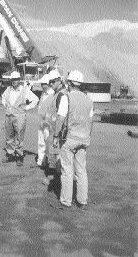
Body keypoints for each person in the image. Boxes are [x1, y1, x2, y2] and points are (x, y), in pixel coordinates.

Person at [56, 70, 94, 209]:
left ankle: (66, 201)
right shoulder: (89, 100)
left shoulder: (67, 98)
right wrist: (87, 136)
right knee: (81, 170)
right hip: (84, 139)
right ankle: (82, 201)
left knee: (67, 170)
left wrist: (55, 135)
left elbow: (60, 118)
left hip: (70, 139)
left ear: (70, 83)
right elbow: (91, 122)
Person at [1, 71, 39, 166]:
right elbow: (3, 97)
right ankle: (10, 154)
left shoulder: (24, 90)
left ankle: (19, 156)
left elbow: (36, 99)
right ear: (11, 80)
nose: (14, 81)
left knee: (19, 136)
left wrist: (26, 108)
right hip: (9, 115)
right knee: (9, 135)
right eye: (13, 80)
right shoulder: (8, 89)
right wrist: (5, 104)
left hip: (20, 116)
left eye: (16, 80)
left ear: (19, 80)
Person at [36, 74, 55, 168]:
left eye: (44, 84)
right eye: (42, 84)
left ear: (49, 84)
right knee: (40, 142)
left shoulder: (53, 95)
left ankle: (48, 162)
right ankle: (40, 161)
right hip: (41, 122)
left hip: (48, 124)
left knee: (48, 143)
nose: (42, 86)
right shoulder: (43, 94)